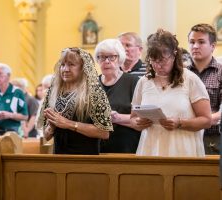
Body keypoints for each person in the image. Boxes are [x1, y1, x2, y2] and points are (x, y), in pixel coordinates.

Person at [130, 29, 212, 157]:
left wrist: (180, 123)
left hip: (182, 150)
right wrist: (138, 123)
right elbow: (133, 118)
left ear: (174, 56)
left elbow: (206, 120)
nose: (158, 66)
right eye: (153, 60)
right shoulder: (144, 81)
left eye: (163, 60)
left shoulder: (190, 79)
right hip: (151, 149)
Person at [37, 47, 113, 155]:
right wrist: (51, 127)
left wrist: (68, 124)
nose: (65, 69)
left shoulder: (94, 93)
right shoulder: (54, 92)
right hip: (59, 157)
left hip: (85, 159)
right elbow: (46, 136)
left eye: (71, 65)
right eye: (62, 65)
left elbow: (104, 132)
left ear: (83, 68)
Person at [94, 39, 140, 153]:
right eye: (101, 57)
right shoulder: (92, 84)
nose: (106, 61)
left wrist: (117, 118)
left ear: (120, 59)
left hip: (127, 148)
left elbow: (143, 119)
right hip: (96, 148)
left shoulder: (133, 82)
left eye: (111, 57)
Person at [187, 23, 222, 154]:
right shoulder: (181, 74)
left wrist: (202, 121)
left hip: (212, 139)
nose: (195, 46)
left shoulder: (220, 72)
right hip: (186, 136)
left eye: (201, 42)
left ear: (212, 46)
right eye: (192, 42)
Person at [0, 63, 28, 141]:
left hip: (11, 132)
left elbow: (25, 116)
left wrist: (10, 115)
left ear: (8, 76)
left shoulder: (17, 92)